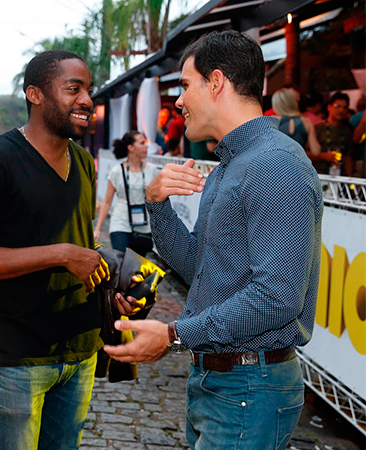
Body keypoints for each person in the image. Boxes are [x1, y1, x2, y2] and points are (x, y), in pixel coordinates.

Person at [104, 31, 323, 450]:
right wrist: (157, 204)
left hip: (248, 387)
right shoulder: (230, 164)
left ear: (216, 82)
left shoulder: (274, 165)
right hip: (222, 381)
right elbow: (199, 266)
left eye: (185, 86)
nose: (179, 101)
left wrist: (172, 335)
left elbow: (276, 299)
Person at [0, 49, 138, 450]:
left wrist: (110, 290)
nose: (87, 99)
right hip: (16, 355)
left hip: (81, 349)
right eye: (74, 88)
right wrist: (61, 254)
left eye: (89, 89)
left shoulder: (86, 163)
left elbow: (81, 245)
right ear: (35, 94)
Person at [94, 130, 159, 255]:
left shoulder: (152, 170)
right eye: (142, 143)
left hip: (144, 225)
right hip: (120, 222)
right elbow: (107, 202)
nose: (146, 146)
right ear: (131, 148)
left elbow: (160, 200)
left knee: (137, 268)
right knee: (122, 263)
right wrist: (97, 228)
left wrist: (152, 192)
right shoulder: (117, 171)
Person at [271, 88, 321, 158]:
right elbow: (316, 151)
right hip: (300, 166)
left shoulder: (272, 120)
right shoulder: (306, 121)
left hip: (277, 165)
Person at [314, 92, 353, 175]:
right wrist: (324, 156)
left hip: (339, 177)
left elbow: (347, 157)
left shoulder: (346, 131)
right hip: (319, 175)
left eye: (345, 107)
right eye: (338, 106)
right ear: (329, 107)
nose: (342, 110)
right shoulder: (317, 128)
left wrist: (350, 182)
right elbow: (304, 153)